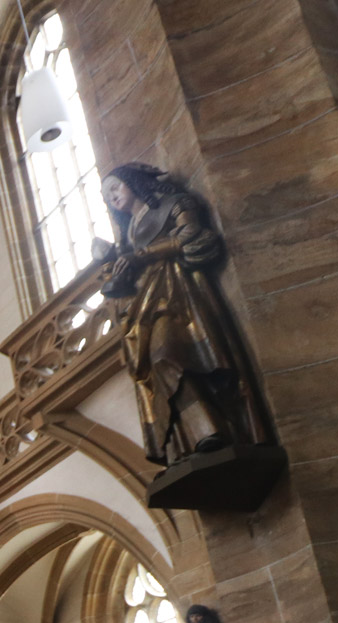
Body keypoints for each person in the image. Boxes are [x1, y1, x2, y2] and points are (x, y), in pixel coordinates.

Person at [94, 163, 268, 468]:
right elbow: (127, 269)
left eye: (114, 188)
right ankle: (196, 438)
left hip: (177, 290)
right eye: (106, 197)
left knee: (168, 355)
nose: (112, 198)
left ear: (133, 182)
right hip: (146, 298)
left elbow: (191, 233)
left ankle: (215, 429)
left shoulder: (175, 203)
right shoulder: (129, 230)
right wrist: (115, 263)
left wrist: (142, 255)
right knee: (151, 367)